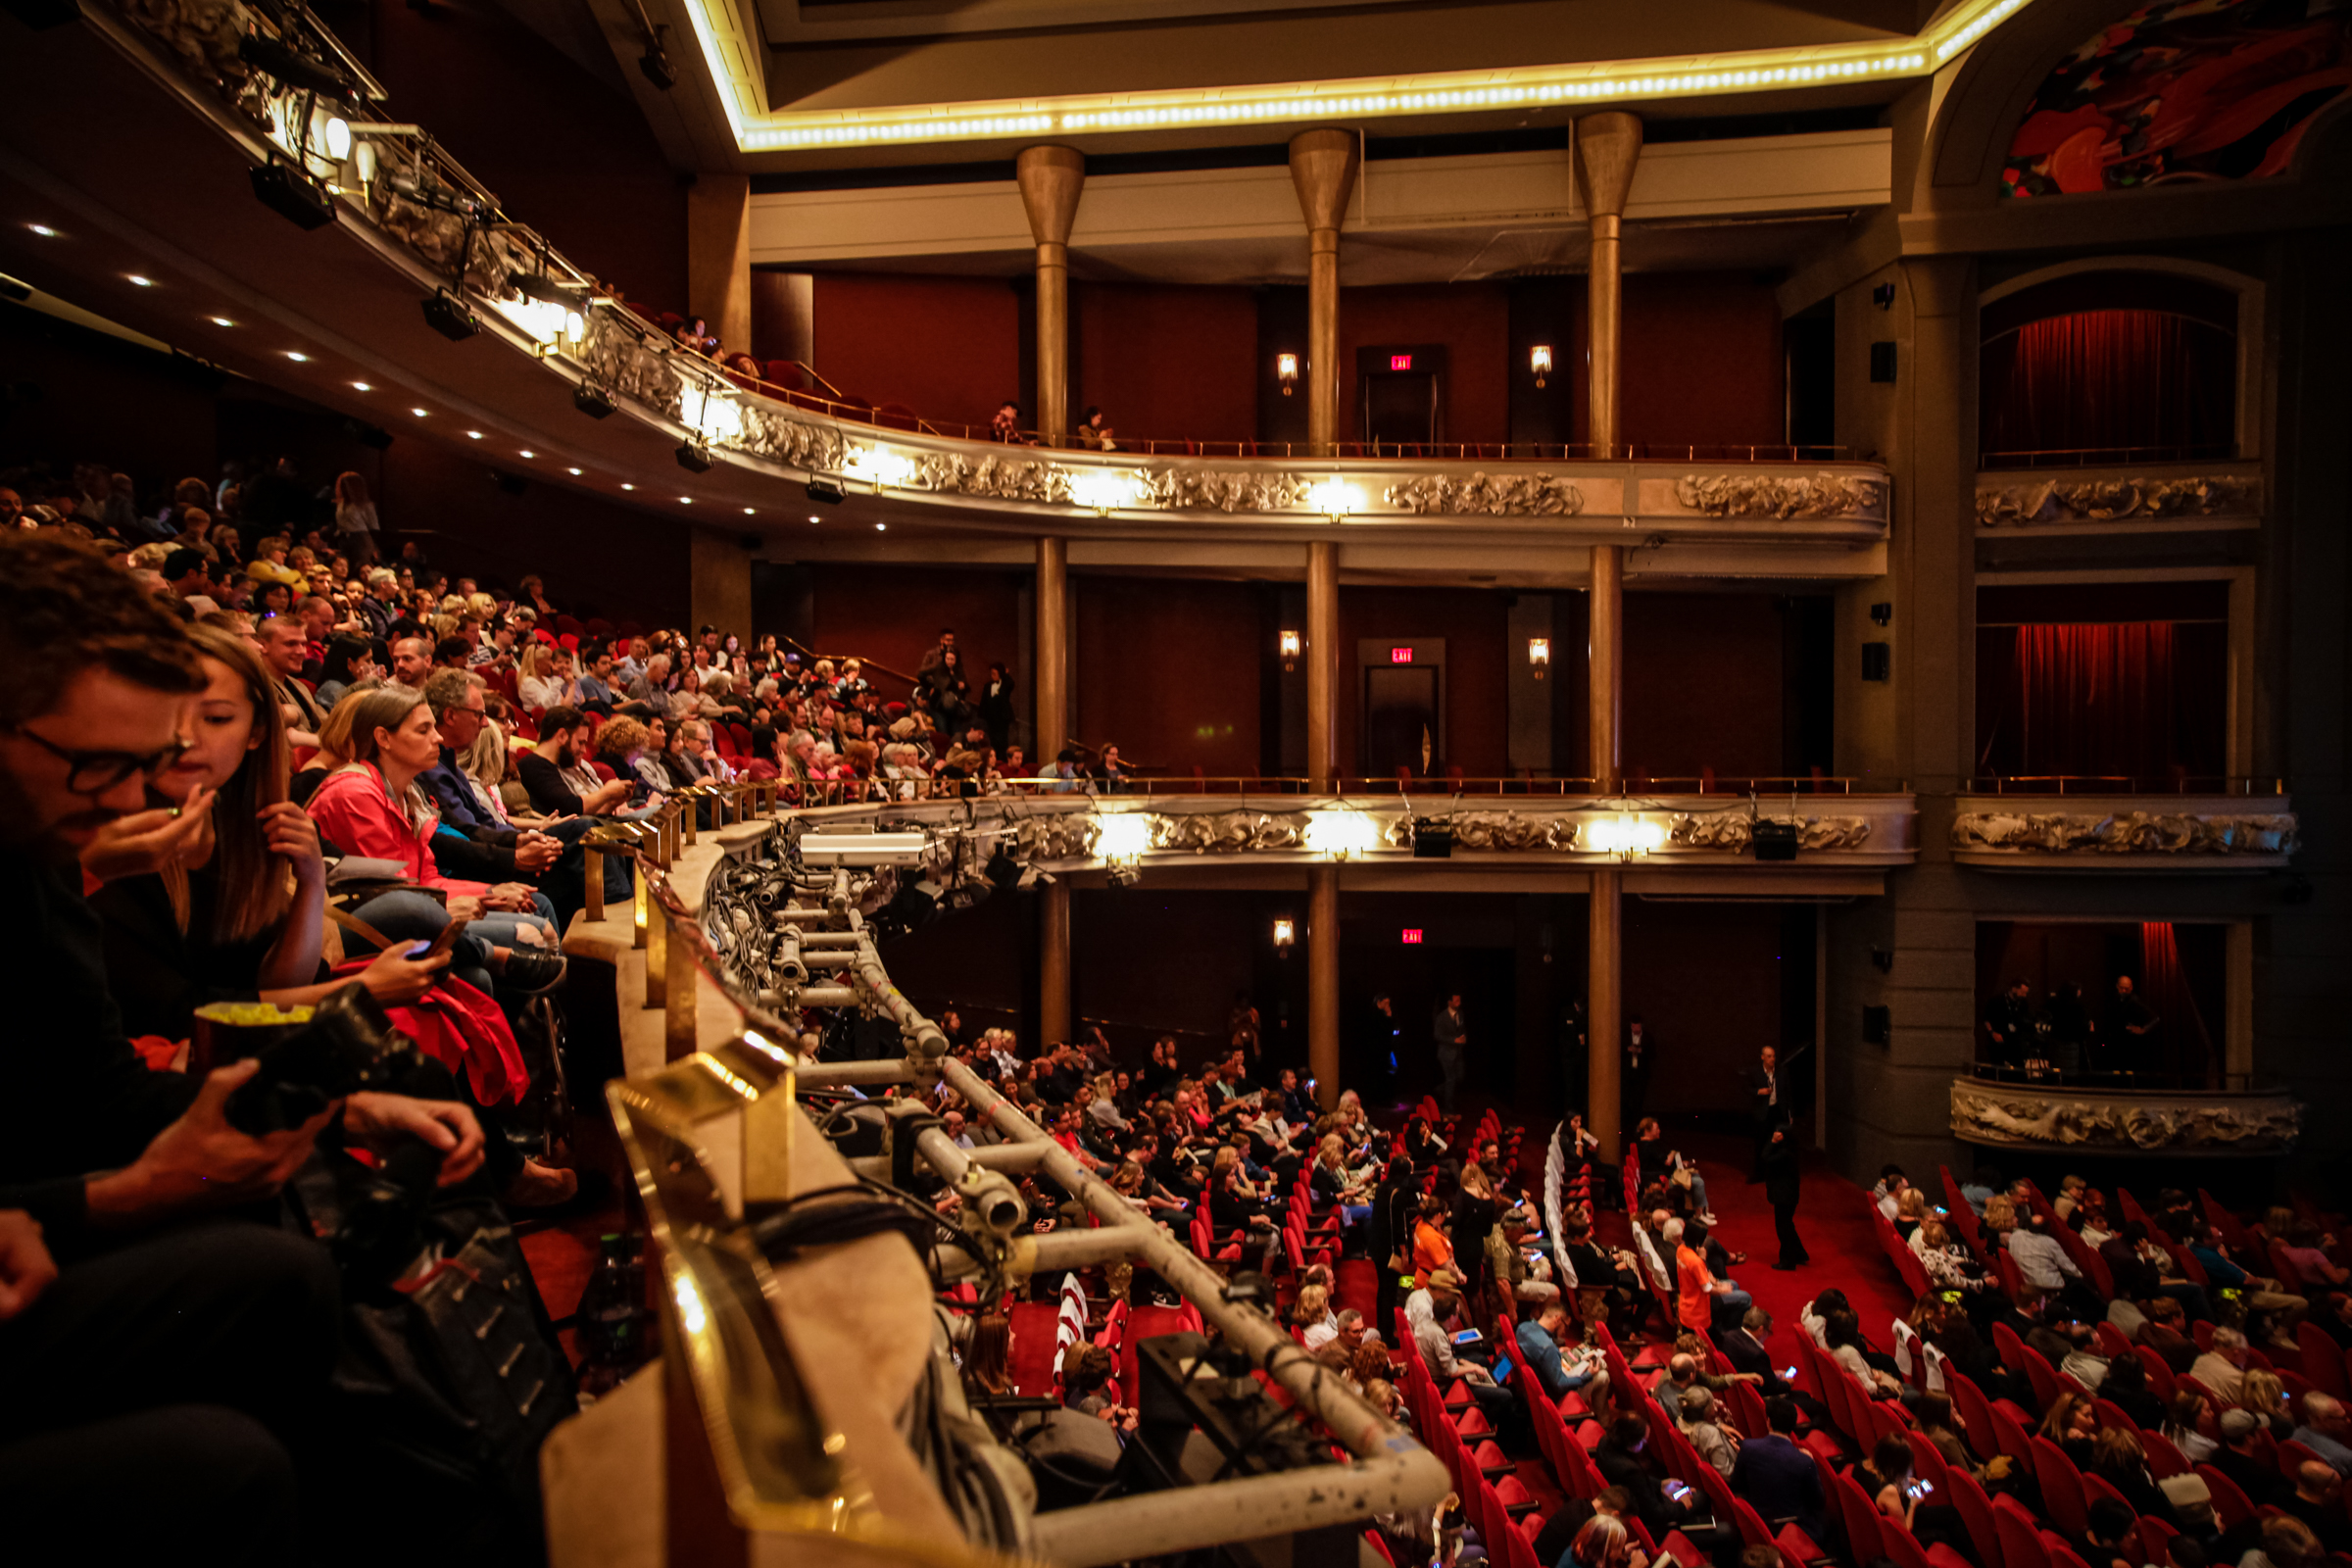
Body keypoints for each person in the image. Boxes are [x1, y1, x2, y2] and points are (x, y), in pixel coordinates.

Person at [0, 533, 490, 1558]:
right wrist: (121, 1198)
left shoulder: (39, 863)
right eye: (103, 762)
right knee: (224, 1463)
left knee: (281, 1277)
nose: (136, 799)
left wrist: (345, 1105)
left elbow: (95, 1092)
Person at [1731, 1396, 1826, 1544]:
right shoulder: (1805, 1461)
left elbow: (1736, 1484)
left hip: (1756, 1522)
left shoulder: (1748, 1447)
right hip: (1794, 1527)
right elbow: (1818, 1501)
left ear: (1768, 1422)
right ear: (1793, 1425)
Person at [1517, 1302, 1609, 1407]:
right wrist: (1587, 1374)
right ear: (1557, 1319)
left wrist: (1557, 1352)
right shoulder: (1548, 1348)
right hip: (1552, 1400)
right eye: (1566, 1326)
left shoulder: (1523, 1327)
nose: (1565, 1332)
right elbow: (1560, 1384)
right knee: (1603, 1375)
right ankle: (1603, 1422)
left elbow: (1538, 1353)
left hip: (1530, 1390)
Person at [1763, 1115, 1805, 1270]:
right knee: (1787, 1224)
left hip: (1784, 1195)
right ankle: (1799, 1253)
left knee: (1783, 1227)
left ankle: (1788, 1260)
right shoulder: (1790, 1149)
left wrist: (1772, 1143)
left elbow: (1765, 1157)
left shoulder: (1784, 1153)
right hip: (1788, 1194)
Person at [1746, 1044, 1790, 1179]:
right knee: (1760, 1142)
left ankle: (1775, 1172)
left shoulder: (1782, 1072)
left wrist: (1790, 1113)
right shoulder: (1754, 1072)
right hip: (1762, 1112)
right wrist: (1759, 1091)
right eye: (1769, 1056)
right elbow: (1746, 1088)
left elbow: (1788, 1093)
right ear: (1763, 1057)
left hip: (1777, 1111)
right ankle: (1759, 1173)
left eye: (1774, 1056)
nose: (1772, 1059)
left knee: (1777, 1142)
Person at [2103, 974, 2160, 1064]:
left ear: (2131, 988)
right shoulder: (2117, 999)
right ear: (2117, 986)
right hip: (2119, 1043)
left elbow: (2155, 1018)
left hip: (2130, 1044)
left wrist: (2143, 1030)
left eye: (2127, 988)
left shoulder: (2134, 1001)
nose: (2124, 991)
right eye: (2122, 988)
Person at [1433, 992, 1468, 1112]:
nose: (1459, 1003)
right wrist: (1454, 1040)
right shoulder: (1442, 1017)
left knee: (1459, 1077)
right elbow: (1437, 1035)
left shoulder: (1460, 1014)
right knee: (1451, 1078)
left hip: (1458, 1052)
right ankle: (1448, 1106)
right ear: (1450, 1002)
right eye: (1456, 1001)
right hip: (1446, 1053)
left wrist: (1463, 1038)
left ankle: (1439, 1090)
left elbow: (1461, 1029)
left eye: (1460, 1000)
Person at [333, 470, 378, 564]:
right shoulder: (340, 504)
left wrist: (375, 547)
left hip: (360, 539)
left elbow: (373, 527)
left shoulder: (366, 505)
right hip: (344, 539)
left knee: (361, 564)